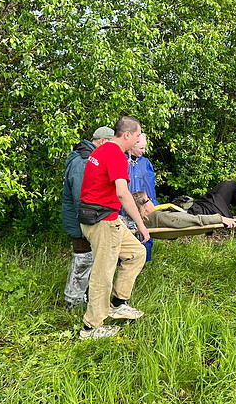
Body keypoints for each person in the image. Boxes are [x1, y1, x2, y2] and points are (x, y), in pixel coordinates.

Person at [78, 116, 151, 340]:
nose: (138, 140)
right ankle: (91, 327)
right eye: (137, 135)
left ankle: (118, 304)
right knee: (103, 274)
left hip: (104, 217)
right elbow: (122, 193)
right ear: (127, 135)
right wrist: (141, 225)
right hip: (103, 222)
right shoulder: (116, 155)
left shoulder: (102, 149)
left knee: (136, 253)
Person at [61, 126, 114, 308]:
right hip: (81, 220)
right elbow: (81, 197)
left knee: (88, 258)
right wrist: (92, 220)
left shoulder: (89, 158)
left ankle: (82, 297)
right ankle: (73, 301)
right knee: (83, 260)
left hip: (85, 218)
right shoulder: (83, 162)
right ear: (102, 141)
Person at [132, 180, 236, 229]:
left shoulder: (153, 215)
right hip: (206, 212)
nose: (151, 200)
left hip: (199, 206)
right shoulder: (158, 217)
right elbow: (189, 219)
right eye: (148, 199)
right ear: (143, 208)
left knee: (224, 186)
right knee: (230, 185)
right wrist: (220, 219)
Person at [126, 133, 158, 261]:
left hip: (144, 207)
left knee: (145, 235)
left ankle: (144, 263)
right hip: (126, 208)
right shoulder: (122, 161)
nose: (144, 151)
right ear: (132, 145)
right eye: (141, 148)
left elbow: (151, 187)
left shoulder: (145, 163)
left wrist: (153, 204)